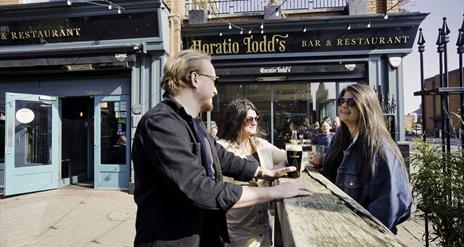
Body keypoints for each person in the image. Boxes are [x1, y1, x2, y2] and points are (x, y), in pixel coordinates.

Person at [131, 49, 312, 247]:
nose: (216, 90)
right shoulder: (161, 123)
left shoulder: (194, 123)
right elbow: (200, 189)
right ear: (194, 79)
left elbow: (223, 158)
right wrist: (275, 192)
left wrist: (266, 173)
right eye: (214, 79)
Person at [309, 83, 412, 234]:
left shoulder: (381, 150)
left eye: (351, 102)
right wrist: (323, 161)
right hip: (335, 226)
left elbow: (389, 209)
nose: (344, 105)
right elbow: (342, 170)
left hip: (359, 235)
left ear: (366, 108)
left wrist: (358, 233)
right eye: (341, 101)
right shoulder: (340, 138)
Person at [217, 98, 290, 247]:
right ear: (236, 120)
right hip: (236, 234)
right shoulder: (221, 148)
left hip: (264, 231)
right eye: (249, 118)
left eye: (256, 118)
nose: (254, 122)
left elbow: (287, 158)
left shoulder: (261, 144)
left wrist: (310, 159)